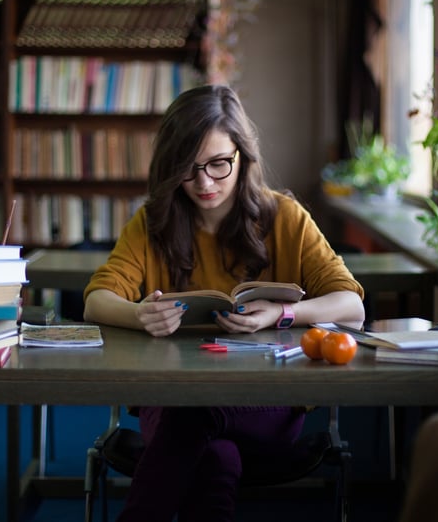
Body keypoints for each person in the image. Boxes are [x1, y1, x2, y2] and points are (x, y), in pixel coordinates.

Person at [83, 84, 365, 522]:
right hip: (170, 400)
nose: (204, 183)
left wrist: (283, 313)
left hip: (267, 402)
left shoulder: (285, 217)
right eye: (188, 168)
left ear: (242, 156)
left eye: (218, 164)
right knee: (216, 455)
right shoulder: (153, 222)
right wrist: (137, 314)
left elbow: (352, 305)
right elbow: (96, 300)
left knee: (199, 412)